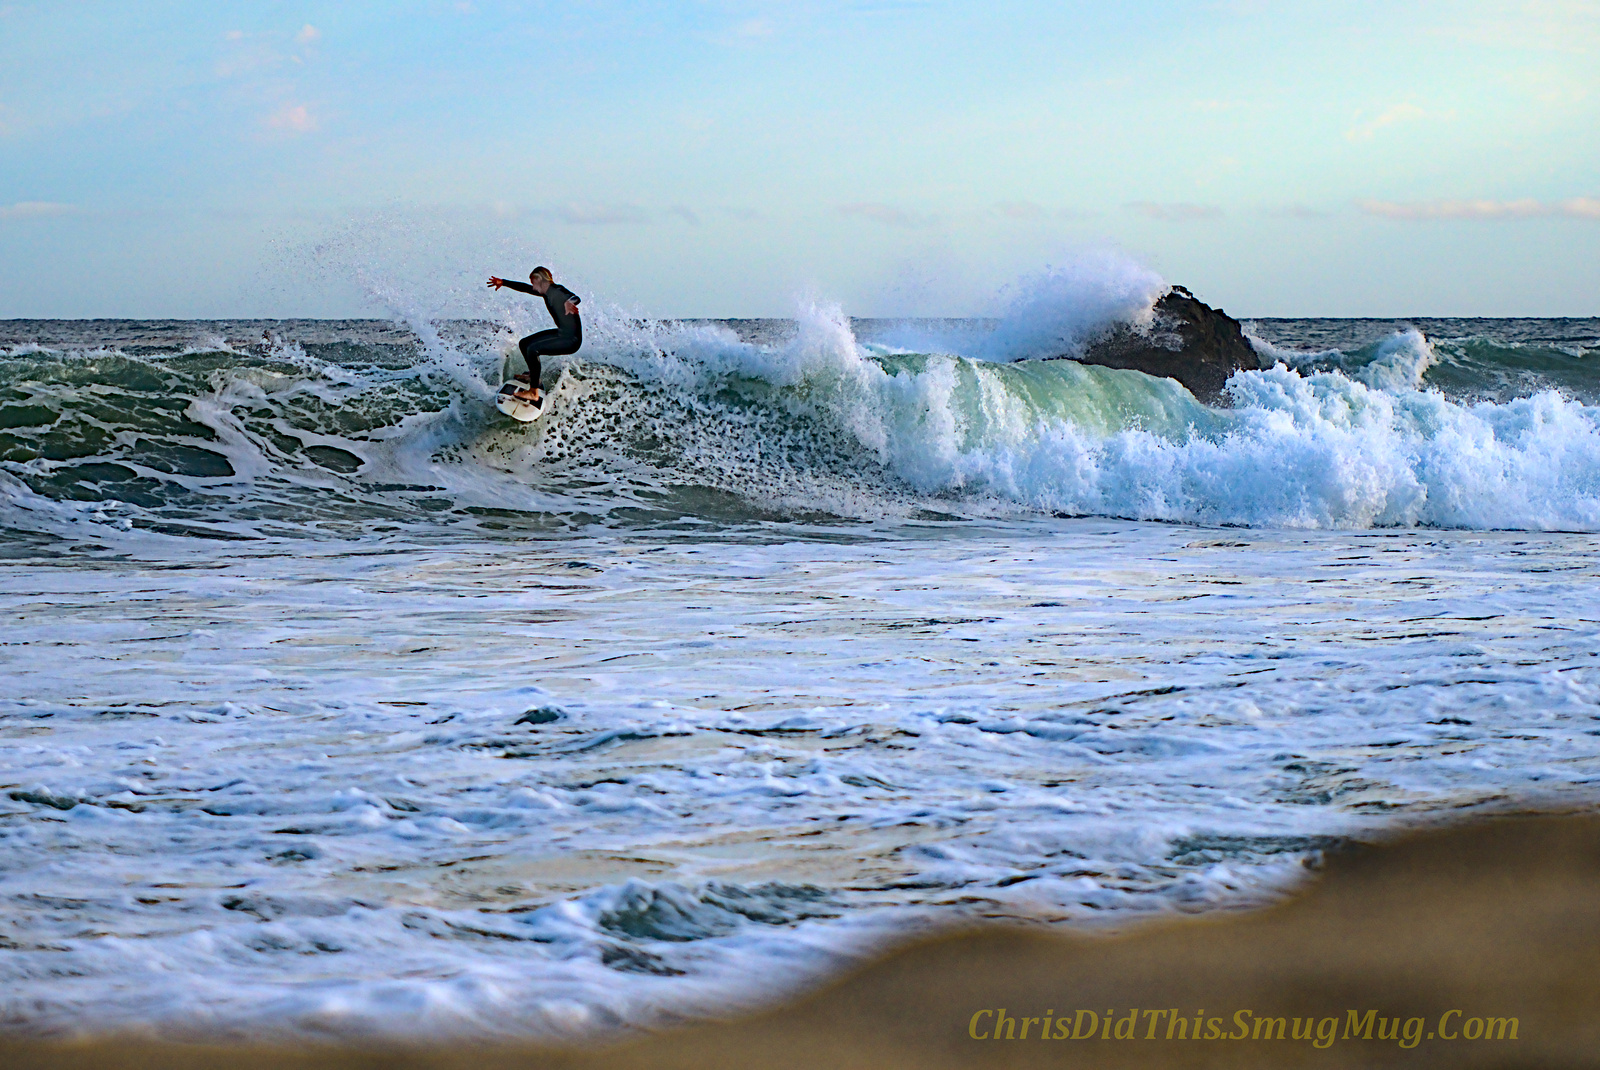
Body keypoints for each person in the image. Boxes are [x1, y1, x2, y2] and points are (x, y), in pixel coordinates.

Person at [486, 266, 582, 405]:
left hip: (571, 340)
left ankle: (533, 392)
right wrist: (504, 282)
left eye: (533, 282)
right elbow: (525, 288)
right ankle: (533, 377)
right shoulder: (546, 292)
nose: (532, 286)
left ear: (539, 280)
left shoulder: (556, 290)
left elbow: (576, 298)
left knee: (533, 349)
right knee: (525, 343)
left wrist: (569, 302)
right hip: (562, 333)